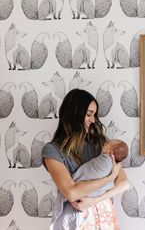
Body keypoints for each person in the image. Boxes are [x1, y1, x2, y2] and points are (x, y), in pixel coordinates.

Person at [42, 89, 129, 230]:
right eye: (89, 114)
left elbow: (123, 183)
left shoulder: (102, 144)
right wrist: (109, 178)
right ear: (73, 113)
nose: (93, 120)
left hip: (103, 216)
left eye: (94, 115)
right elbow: (71, 192)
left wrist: (94, 200)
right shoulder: (52, 150)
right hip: (74, 218)